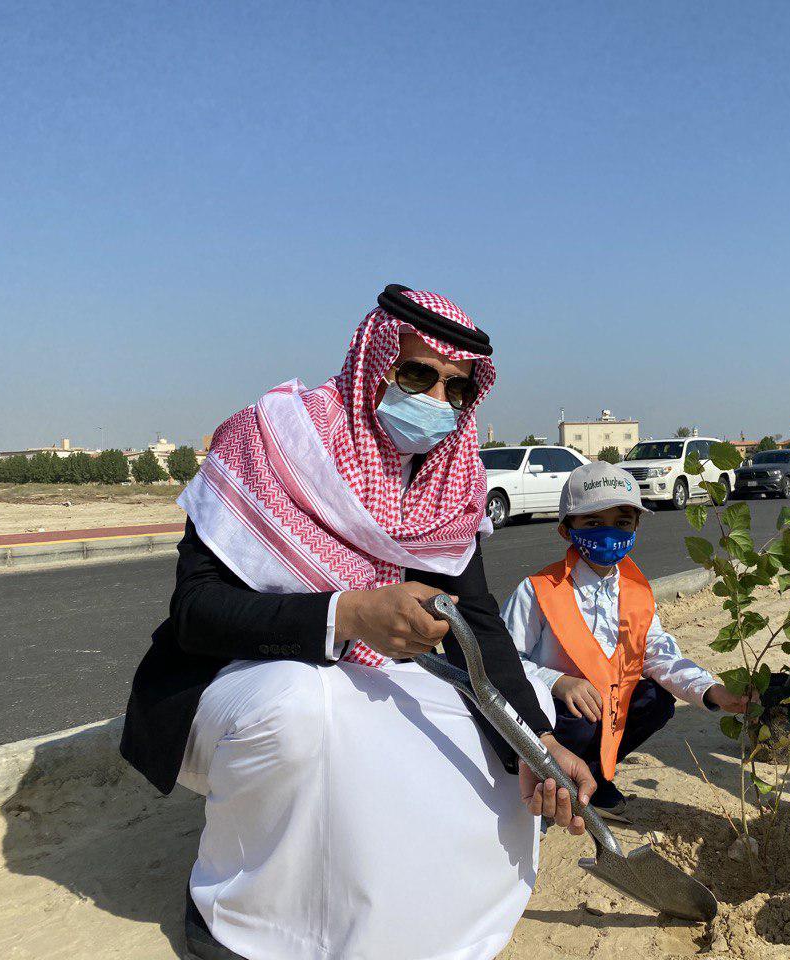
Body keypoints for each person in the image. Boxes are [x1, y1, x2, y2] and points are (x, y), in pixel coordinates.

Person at [120, 285, 596, 960]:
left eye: (457, 388)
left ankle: (409, 928)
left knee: (484, 748)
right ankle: (233, 912)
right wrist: (344, 614)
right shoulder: (269, 440)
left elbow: (479, 622)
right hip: (234, 685)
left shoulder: (449, 479)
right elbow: (196, 613)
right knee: (301, 708)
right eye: (417, 375)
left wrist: (536, 741)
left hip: (362, 676)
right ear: (375, 360)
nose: (437, 401)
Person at [501, 461, 747, 819]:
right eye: (593, 523)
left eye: (622, 522)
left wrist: (711, 690)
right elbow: (504, 662)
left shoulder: (635, 591)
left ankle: (596, 775)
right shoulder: (538, 591)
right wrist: (558, 682)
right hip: (556, 713)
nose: (609, 532)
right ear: (566, 530)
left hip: (608, 705)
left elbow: (658, 654)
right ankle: (549, 784)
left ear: (636, 527)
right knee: (580, 719)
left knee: (656, 700)